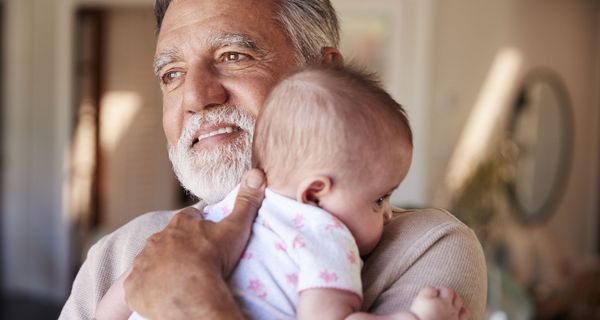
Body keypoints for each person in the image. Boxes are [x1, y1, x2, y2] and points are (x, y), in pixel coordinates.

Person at [59, 0, 487, 319]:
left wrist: (192, 302)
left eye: (233, 56)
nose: (195, 97)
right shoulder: (121, 251)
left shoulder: (425, 246)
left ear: (325, 72)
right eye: (172, 75)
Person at [94, 66, 469, 320]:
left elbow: (129, 286)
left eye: (234, 57)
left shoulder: (214, 216)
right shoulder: (328, 237)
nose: (387, 214)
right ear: (315, 195)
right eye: (378, 199)